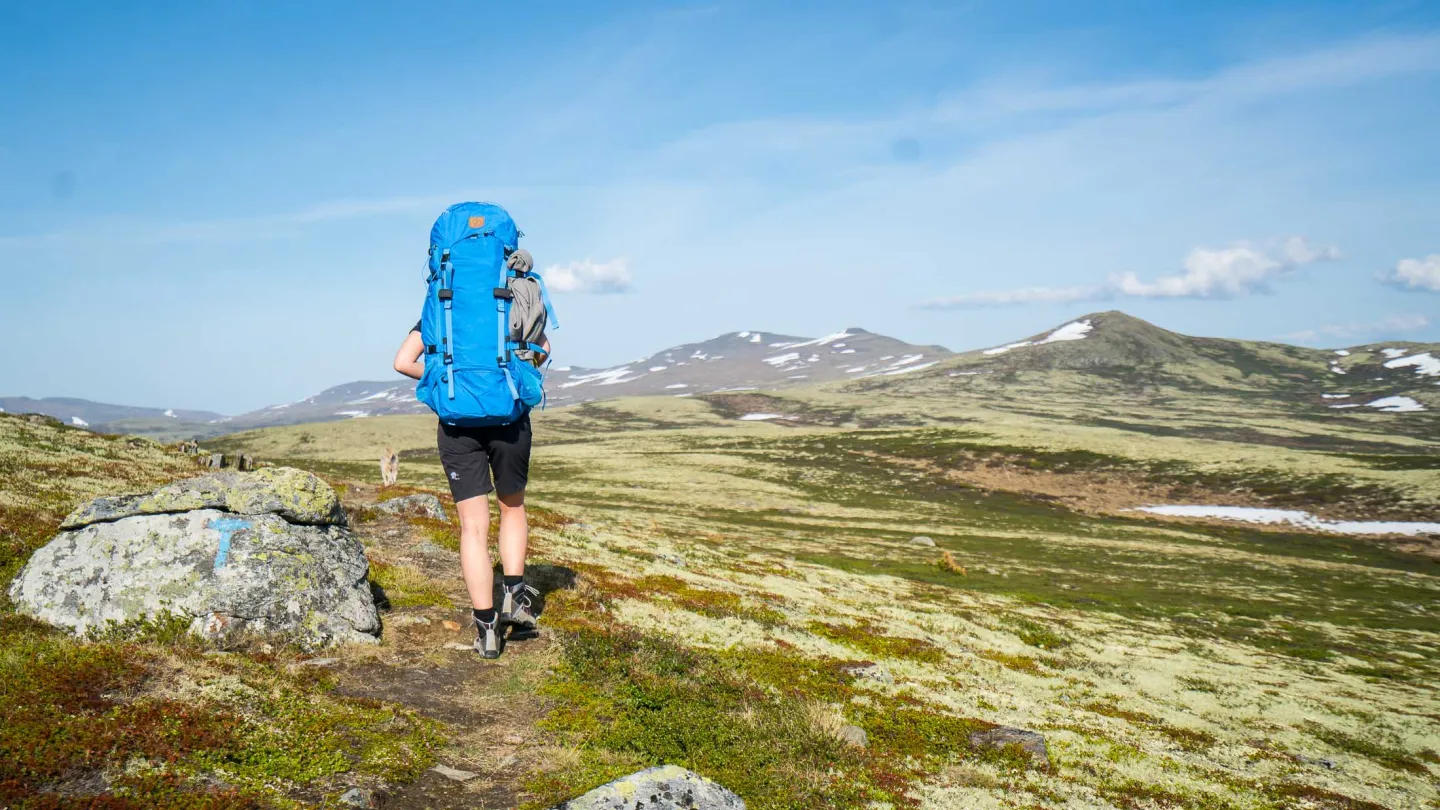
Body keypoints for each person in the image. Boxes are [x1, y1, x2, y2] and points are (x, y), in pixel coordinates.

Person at [392, 248, 550, 659]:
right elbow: (543, 348)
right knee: (512, 508)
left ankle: (486, 629)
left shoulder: (441, 309)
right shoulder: (514, 298)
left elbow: (401, 362)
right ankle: (516, 596)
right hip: (510, 419)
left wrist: (448, 378)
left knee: (472, 529)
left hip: (457, 424)